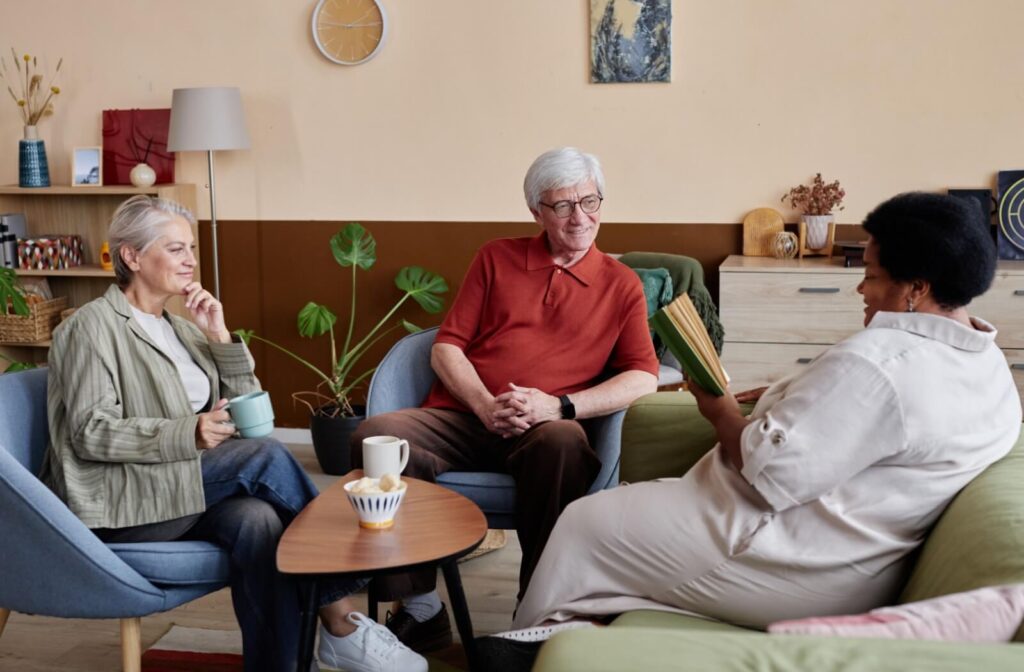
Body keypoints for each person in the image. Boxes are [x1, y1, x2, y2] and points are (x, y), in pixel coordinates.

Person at [498, 191, 1022, 662]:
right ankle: (579, 627)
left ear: (917, 288)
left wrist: (718, 406)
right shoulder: (985, 362)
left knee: (582, 524)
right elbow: (865, 431)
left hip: (790, 559)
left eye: (874, 274)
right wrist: (786, 398)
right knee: (615, 518)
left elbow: (765, 475)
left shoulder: (879, 362)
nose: (860, 287)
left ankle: (527, 650)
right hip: (857, 558)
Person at [42, 196, 426, 672]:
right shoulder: (90, 329)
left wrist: (219, 336)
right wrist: (190, 432)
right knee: (262, 457)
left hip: (180, 490)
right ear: (132, 256)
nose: (191, 260)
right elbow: (89, 433)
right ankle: (342, 615)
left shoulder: (180, 329)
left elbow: (250, 413)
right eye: (176, 248)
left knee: (257, 521)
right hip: (123, 499)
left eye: (191, 249)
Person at [350, 147, 660, 651]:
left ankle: (536, 607)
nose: (580, 217)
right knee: (375, 438)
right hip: (466, 417)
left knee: (562, 443)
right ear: (537, 211)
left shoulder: (622, 285)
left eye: (590, 201)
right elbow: (447, 345)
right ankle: (422, 607)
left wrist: (558, 406)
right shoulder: (496, 257)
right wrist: (483, 404)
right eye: (563, 206)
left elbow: (644, 375)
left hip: (546, 425)